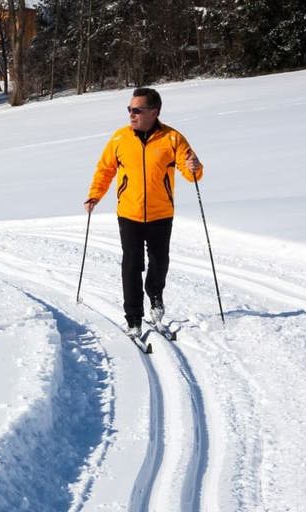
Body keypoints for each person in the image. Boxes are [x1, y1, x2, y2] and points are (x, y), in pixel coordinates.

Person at [84, 87, 202, 337]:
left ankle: (155, 297)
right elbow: (105, 170)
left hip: (161, 214)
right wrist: (95, 195)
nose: (131, 114)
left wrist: (194, 166)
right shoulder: (120, 138)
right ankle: (133, 317)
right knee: (131, 265)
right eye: (129, 109)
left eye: (137, 110)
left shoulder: (172, 138)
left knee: (159, 263)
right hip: (129, 214)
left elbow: (190, 171)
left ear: (154, 112)